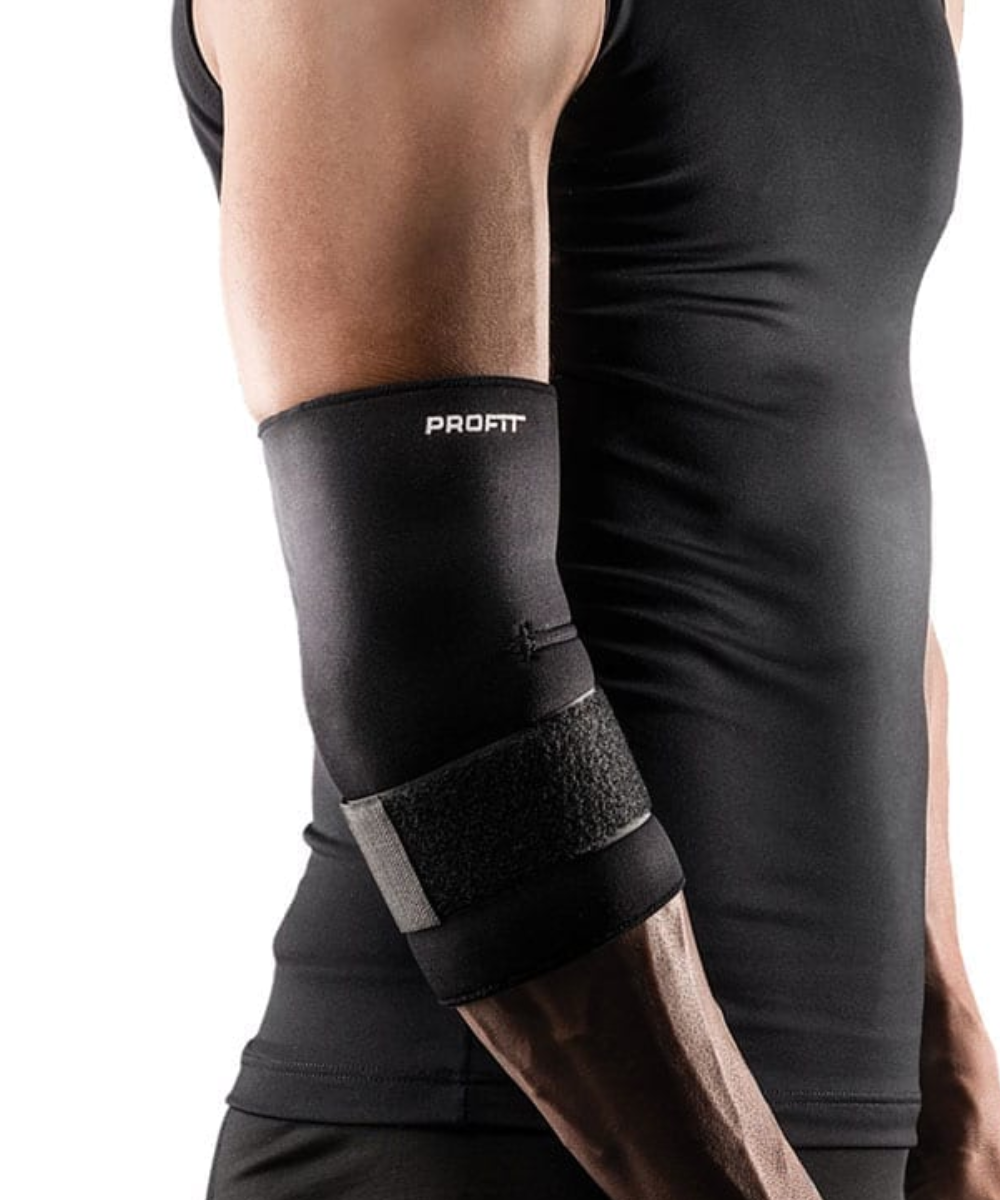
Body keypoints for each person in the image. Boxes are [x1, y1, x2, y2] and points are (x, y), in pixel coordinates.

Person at [170, 1, 1000, 1197]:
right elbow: (436, 664)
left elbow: (821, 484)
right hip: (479, 1124)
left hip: (836, 1122)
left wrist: (950, 1065)